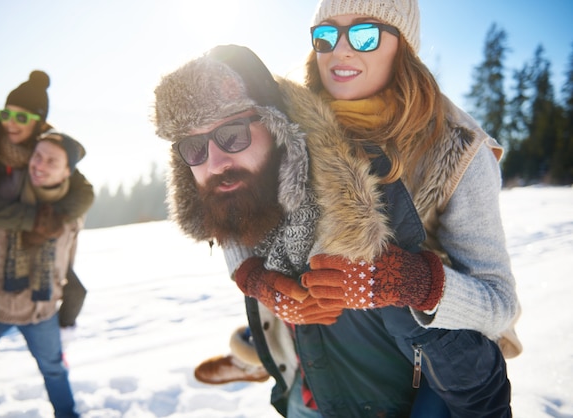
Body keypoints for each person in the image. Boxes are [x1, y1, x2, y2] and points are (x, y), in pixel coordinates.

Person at [154, 41, 520, 417]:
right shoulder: (244, 186)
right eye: (194, 148)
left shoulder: (370, 196)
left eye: (232, 134)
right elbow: (227, 227)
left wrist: (407, 282)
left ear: (275, 124)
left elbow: (496, 311)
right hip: (307, 391)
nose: (214, 163)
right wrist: (254, 279)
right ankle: (256, 356)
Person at [0, 70, 93, 387]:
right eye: (6, 113)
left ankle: (62, 339)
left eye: (20, 117)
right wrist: (33, 219)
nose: (9, 123)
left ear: (39, 121)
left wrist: (54, 220)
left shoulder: (50, 148)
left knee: (74, 290)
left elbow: (83, 193)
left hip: (38, 247)